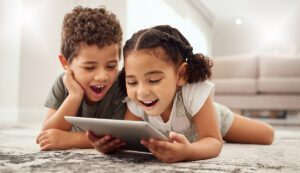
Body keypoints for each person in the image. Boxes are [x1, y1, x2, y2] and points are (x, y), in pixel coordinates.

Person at [88, 25, 274, 163]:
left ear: (181, 75)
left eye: (153, 80)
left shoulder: (193, 92)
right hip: (189, 131)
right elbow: (128, 138)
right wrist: (108, 146)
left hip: (215, 118)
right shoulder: (135, 100)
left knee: (266, 135)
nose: (142, 91)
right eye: (132, 82)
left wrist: (189, 152)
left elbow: (213, 141)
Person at [36, 6, 126, 151]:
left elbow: (120, 136)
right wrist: (74, 96)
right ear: (65, 63)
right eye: (90, 67)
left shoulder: (122, 85)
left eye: (110, 66)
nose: (102, 76)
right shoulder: (62, 83)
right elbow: (47, 135)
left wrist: (71, 139)